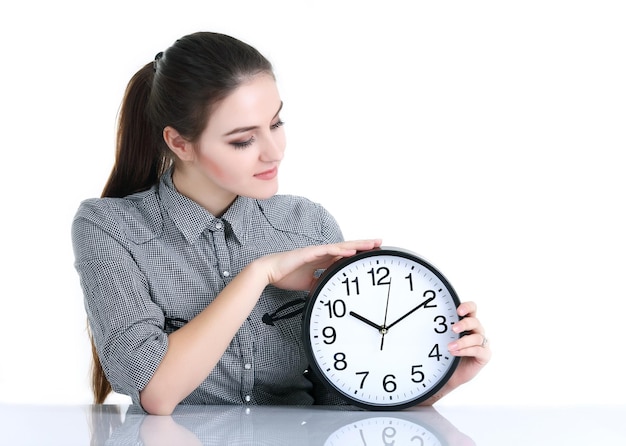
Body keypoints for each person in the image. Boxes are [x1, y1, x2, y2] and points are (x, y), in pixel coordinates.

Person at [72, 31, 491, 416]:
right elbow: (156, 393)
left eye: (275, 123)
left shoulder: (308, 224)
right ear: (180, 142)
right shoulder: (110, 228)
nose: (274, 152)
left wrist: (435, 382)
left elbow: (339, 396)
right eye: (243, 140)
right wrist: (260, 273)